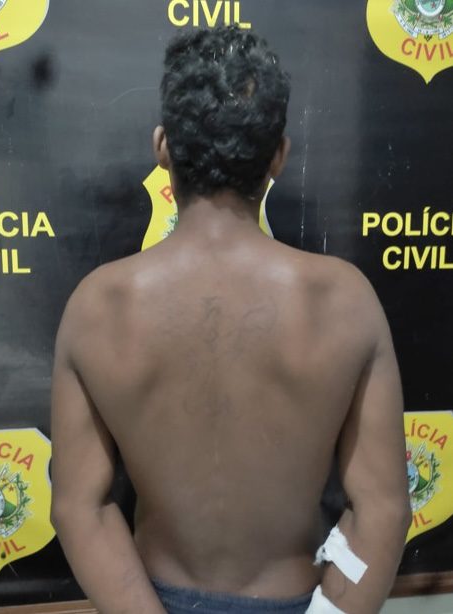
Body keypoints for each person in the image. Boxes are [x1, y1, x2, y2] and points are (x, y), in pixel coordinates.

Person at [50, 27, 410, 614]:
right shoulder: (342, 301)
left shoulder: (99, 306)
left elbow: (78, 508)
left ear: (162, 147)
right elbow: (384, 508)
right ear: (279, 155)